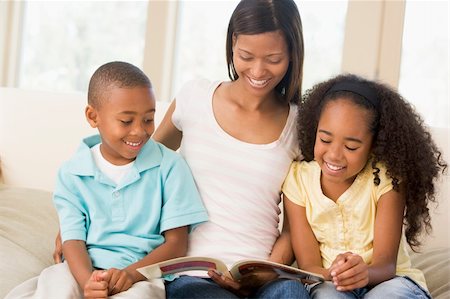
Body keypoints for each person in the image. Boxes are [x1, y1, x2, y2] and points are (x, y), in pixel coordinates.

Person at [52, 0, 309, 297]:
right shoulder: (195, 98)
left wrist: (264, 273)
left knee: (292, 293)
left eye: (274, 59)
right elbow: (137, 158)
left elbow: (293, 227)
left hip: (261, 274)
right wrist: (73, 227)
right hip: (189, 271)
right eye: (246, 56)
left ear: (293, 54)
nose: (258, 70)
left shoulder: (299, 126)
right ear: (233, 43)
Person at [6, 61, 208, 299]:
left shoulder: (170, 167)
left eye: (148, 119)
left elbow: (176, 245)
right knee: (53, 288)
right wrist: (87, 282)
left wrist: (131, 275)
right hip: (80, 270)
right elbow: (72, 240)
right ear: (93, 116)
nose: (140, 131)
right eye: (126, 121)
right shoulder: (72, 173)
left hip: (141, 275)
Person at [282, 73, 448, 298]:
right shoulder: (299, 180)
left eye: (351, 147)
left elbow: (385, 266)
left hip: (389, 281)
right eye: (325, 140)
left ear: (374, 145)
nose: (334, 155)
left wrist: (364, 273)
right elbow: (309, 266)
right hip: (329, 283)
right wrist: (335, 273)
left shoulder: (386, 177)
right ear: (315, 131)